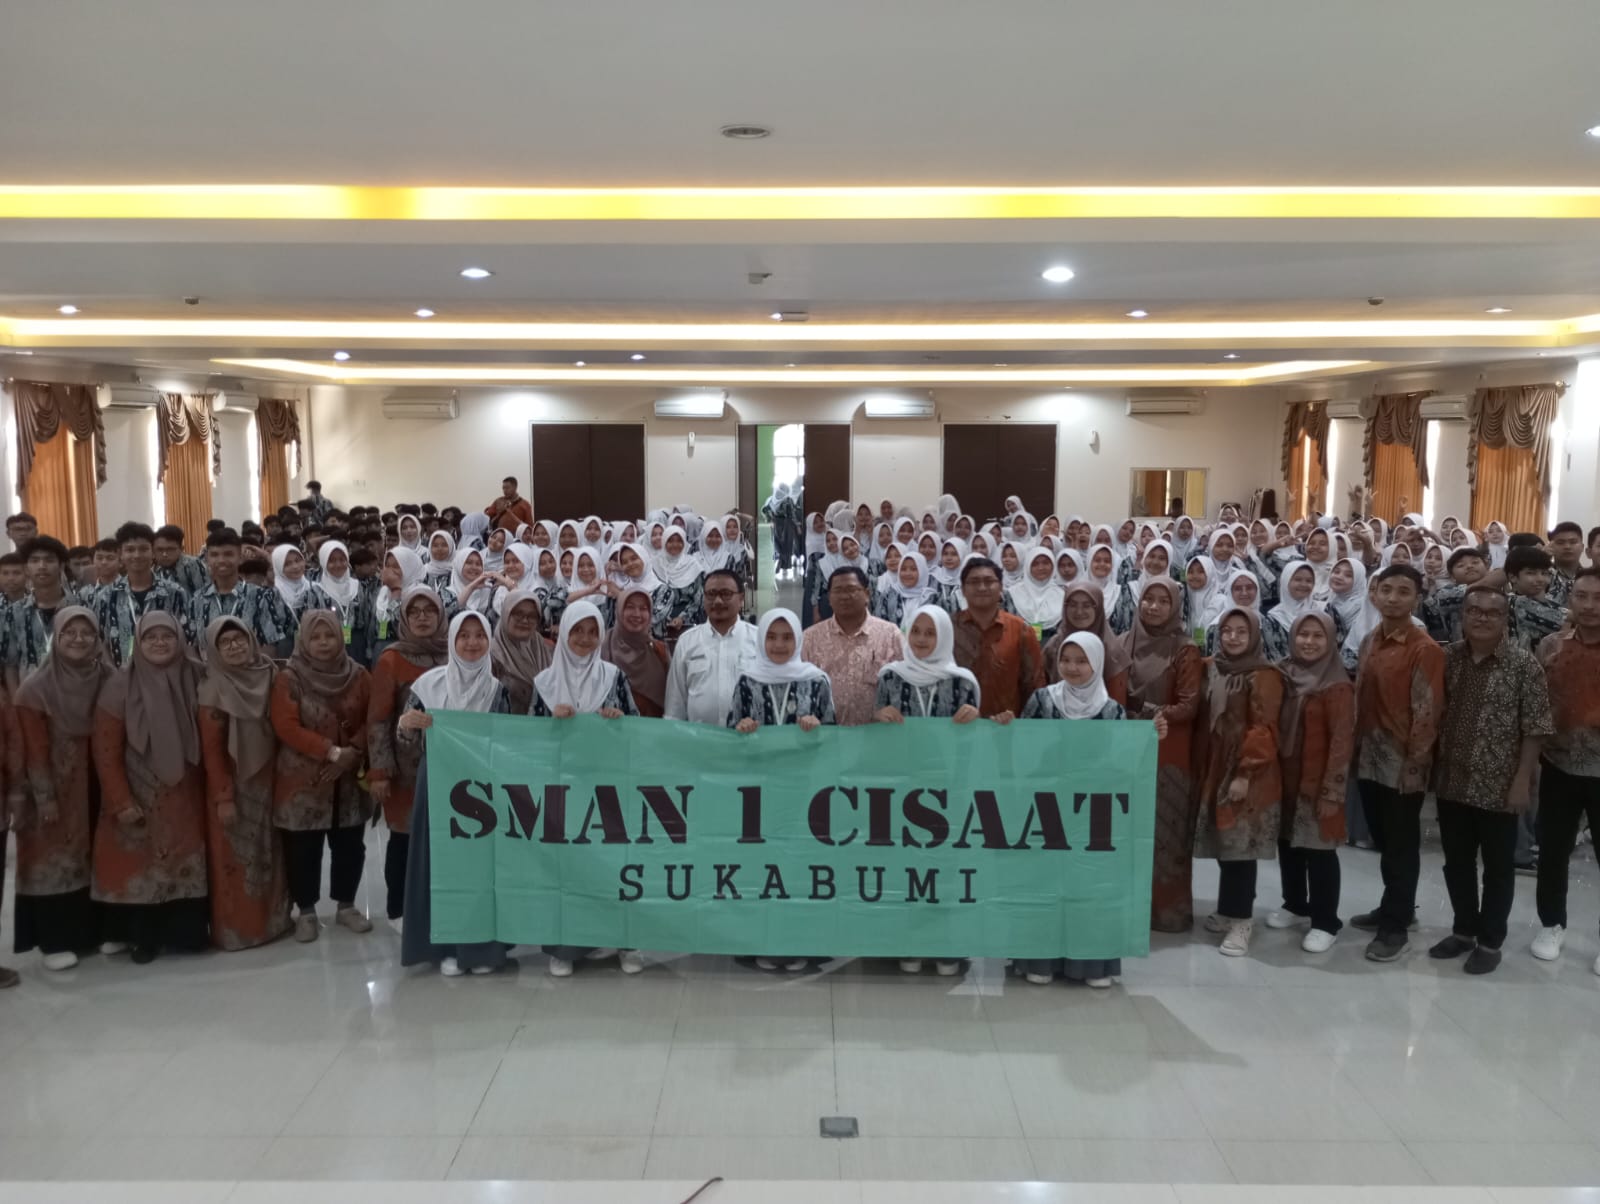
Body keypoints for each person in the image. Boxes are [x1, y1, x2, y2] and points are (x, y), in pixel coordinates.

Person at [1427, 585, 1551, 975]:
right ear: (1462, 615)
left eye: (1492, 612)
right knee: (1457, 864)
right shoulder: (1448, 658)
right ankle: (1463, 931)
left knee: (1497, 869)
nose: (1482, 618)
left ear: (1505, 619)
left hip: (1499, 785)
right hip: (1452, 779)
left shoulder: (1523, 664)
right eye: (1474, 610)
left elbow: (1536, 728)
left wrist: (1522, 781)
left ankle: (1490, 941)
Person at [398, 610, 516, 977]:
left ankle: (480, 949)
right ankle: (445, 948)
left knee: (482, 868)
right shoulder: (428, 686)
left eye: (479, 635)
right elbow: (405, 740)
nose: (471, 643)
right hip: (438, 785)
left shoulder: (498, 690)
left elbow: (507, 743)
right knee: (440, 864)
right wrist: (406, 724)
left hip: (483, 791)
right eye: (463, 635)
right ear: (451, 640)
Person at [90, 612, 210, 963]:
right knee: (140, 867)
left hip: (186, 797)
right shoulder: (119, 686)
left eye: (167, 636)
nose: (160, 643)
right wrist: (120, 800)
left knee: (183, 865)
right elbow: (105, 751)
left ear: (179, 639)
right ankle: (142, 938)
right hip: (138, 794)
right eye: (150, 637)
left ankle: (183, 934)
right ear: (138, 643)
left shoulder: (197, 676)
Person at [530, 602, 639, 977]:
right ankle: (565, 948)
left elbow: (637, 729)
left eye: (593, 632)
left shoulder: (614, 677)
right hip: (563, 790)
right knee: (566, 868)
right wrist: (551, 724)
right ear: (564, 632)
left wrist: (619, 721)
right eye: (577, 630)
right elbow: (527, 743)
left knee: (614, 865)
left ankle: (626, 942)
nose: (585, 638)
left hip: (609, 788)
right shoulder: (544, 683)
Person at [730, 608, 835, 973]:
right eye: (772, 637)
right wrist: (741, 728)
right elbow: (729, 734)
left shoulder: (816, 680)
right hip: (757, 793)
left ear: (798, 639)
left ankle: (802, 943)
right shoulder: (747, 680)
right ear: (761, 640)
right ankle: (762, 942)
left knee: (800, 867)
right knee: (761, 867)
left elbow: (834, 736)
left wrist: (818, 727)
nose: (779, 644)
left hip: (805, 793)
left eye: (787, 637)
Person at [1351, 564, 1445, 963]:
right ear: (1374, 593)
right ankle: (1396, 907)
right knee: (1384, 841)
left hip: (1402, 764)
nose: (1392, 598)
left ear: (1417, 599)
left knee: (1401, 847)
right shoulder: (1370, 639)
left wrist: (1415, 765)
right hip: (1368, 758)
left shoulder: (1424, 649)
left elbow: (1427, 712)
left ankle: (1396, 927)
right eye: (1386, 589)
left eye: (1403, 591)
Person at [11, 607, 107, 970]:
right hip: (52, 790)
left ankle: (89, 933)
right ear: (56, 637)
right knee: (52, 861)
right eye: (70, 633)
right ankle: (53, 941)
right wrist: (44, 796)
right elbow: (32, 751)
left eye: (87, 633)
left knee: (91, 856)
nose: (79, 639)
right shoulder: (35, 689)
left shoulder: (107, 677)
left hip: (94, 785)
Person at [270, 610, 374, 944]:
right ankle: (306, 912)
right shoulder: (289, 678)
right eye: (315, 637)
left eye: (329, 635)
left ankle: (346, 906)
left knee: (350, 844)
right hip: (304, 778)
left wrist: (352, 752)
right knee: (303, 848)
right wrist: (330, 752)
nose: (324, 643)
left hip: (348, 778)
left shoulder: (358, 675)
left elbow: (373, 717)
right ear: (303, 640)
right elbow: (285, 725)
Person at [196, 617, 293, 950]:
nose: (234, 646)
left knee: (270, 852)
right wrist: (223, 797)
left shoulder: (270, 674)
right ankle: (238, 931)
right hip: (233, 786)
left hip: (269, 780)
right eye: (225, 643)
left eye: (240, 639)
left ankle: (275, 923)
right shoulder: (212, 688)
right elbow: (212, 751)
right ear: (214, 650)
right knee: (235, 859)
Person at [1192, 609, 1284, 957]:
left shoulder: (1263, 675)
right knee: (1224, 841)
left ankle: (1242, 920)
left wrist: (1245, 773)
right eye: (1227, 630)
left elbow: (1264, 727)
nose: (1232, 637)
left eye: (1241, 632)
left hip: (1247, 770)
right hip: (1216, 765)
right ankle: (1228, 908)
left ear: (1254, 636)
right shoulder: (1213, 667)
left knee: (1240, 845)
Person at [1268, 613, 1353, 953]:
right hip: (1284, 776)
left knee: (1319, 850)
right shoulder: (1282, 674)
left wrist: (1332, 791)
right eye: (1303, 634)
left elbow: (1342, 741)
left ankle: (1326, 921)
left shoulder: (1337, 685)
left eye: (1318, 636)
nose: (1309, 642)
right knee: (1288, 843)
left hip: (1317, 780)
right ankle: (1295, 904)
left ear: (1331, 640)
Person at [1121, 577, 1202, 932]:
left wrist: (1143, 714)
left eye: (1163, 601)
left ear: (1175, 607)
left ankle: (1167, 910)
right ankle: (1128, 906)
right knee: (1127, 829)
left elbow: (1188, 706)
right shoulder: (1122, 643)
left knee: (1165, 831)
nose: (1153, 606)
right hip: (1127, 750)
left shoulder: (1185, 650)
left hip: (1168, 749)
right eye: (1148, 599)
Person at [366, 585, 448, 925]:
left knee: (441, 838)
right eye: (414, 611)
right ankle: (398, 910)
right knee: (404, 838)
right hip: (405, 768)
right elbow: (378, 719)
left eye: (429, 610)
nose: (422, 617)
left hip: (449, 767)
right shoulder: (392, 659)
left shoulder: (453, 652)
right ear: (403, 617)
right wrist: (380, 771)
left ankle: (435, 906)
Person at [1533, 567, 1600, 969]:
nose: (1590, 606)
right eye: (1582, 596)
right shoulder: (1551, 645)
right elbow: (1536, 704)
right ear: (1570, 599)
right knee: (1553, 851)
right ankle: (1551, 923)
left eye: (1599, 598)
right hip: (1558, 764)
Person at [802, 566, 903, 727]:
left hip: (877, 733)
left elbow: (903, 685)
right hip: (825, 734)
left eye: (851, 589)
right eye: (838, 591)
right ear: (829, 598)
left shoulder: (890, 635)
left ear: (867, 594)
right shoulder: (810, 638)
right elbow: (802, 688)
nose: (844, 596)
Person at [952, 557, 1044, 723]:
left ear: (1001, 587)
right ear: (963, 590)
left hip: (1005, 728)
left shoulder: (1021, 631)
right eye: (974, 582)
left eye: (989, 581)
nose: (982, 587)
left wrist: (1022, 723)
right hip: (957, 726)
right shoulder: (948, 628)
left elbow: (1034, 687)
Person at [664, 568, 758, 726]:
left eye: (726, 594)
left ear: (741, 598)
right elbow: (675, 704)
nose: (718, 601)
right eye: (711, 594)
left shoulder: (758, 639)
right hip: (699, 738)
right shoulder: (687, 641)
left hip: (748, 737)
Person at [94, 522, 195, 669]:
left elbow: (187, 638)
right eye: (130, 550)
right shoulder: (105, 597)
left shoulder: (175, 593)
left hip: (166, 673)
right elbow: (101, 642)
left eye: (143, 549)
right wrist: (114, 675)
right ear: (120, 554)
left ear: (152, 552)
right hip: (122, 675)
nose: (137, 555)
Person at [191, 529, 297, 658]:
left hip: (252, 669)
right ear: (207, 558)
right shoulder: (197, 599)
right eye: (214, 555)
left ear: (240, 558)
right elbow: (193, 646)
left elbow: (269, 645)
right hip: (210, 669)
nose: (221, 560)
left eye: (228, 554)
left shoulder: (260, 596)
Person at [2, 536, 86, 688]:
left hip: (75, 692)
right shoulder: (14, 612)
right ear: (26, 569)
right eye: (35, 561)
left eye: (49, 560)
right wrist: (17, 699)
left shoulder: (82, 606)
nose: (42, 566)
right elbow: (11, 664)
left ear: (61, 566)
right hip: (31, 694)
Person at [601, 586, 672, 717]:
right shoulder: (602, 647)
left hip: (653, 727)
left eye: (643, 608)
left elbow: (674, 699)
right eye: (630, 607)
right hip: (611, 726)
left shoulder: (660, 651)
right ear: (619, 610)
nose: (637, 614)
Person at [489, 588, 555, 716]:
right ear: (506, 614)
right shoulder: (491, 656)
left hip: (542, 725)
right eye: (518, 614)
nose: (525, 620)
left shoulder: (544, 648)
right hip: (506, 726)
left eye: (532, 616)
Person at [153, 524, 211, 596]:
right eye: (160, 549)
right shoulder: (155, 567)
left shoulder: (192, 565)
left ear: (181, 549)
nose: (164, 554)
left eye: (170, 549)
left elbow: (204, 595)